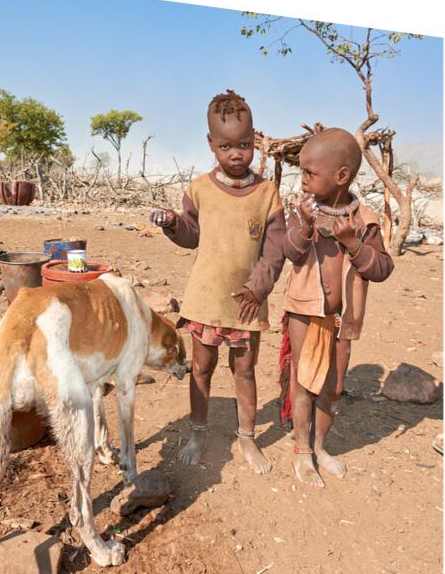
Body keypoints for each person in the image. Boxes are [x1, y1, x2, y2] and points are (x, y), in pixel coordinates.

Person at [150, 89, 285, 474]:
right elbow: (191, 233)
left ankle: (247, 438)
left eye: (244, 145)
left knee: (245, 371)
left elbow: (275, 248)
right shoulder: (199, 189)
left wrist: (259, 287)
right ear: (212, 144)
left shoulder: (267, 193)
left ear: (255, 140)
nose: (236, 154)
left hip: (246, 302)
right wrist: (174, 224)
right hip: (206, 300)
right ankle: (198, 432)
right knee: (201, 368)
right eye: (226, 146)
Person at [282, 127, 393, 487]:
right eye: (302, 172)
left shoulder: (365, 221)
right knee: (303, 381)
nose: (303, 181)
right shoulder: (304, 212)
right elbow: (291, 252)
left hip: (342, 319)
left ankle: (320, 445)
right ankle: (302, 451)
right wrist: (304, 227)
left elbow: (382, 268)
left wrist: (352, 244)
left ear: (342, 176)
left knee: (331, 386)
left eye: (311, 173)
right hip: (303, 310)